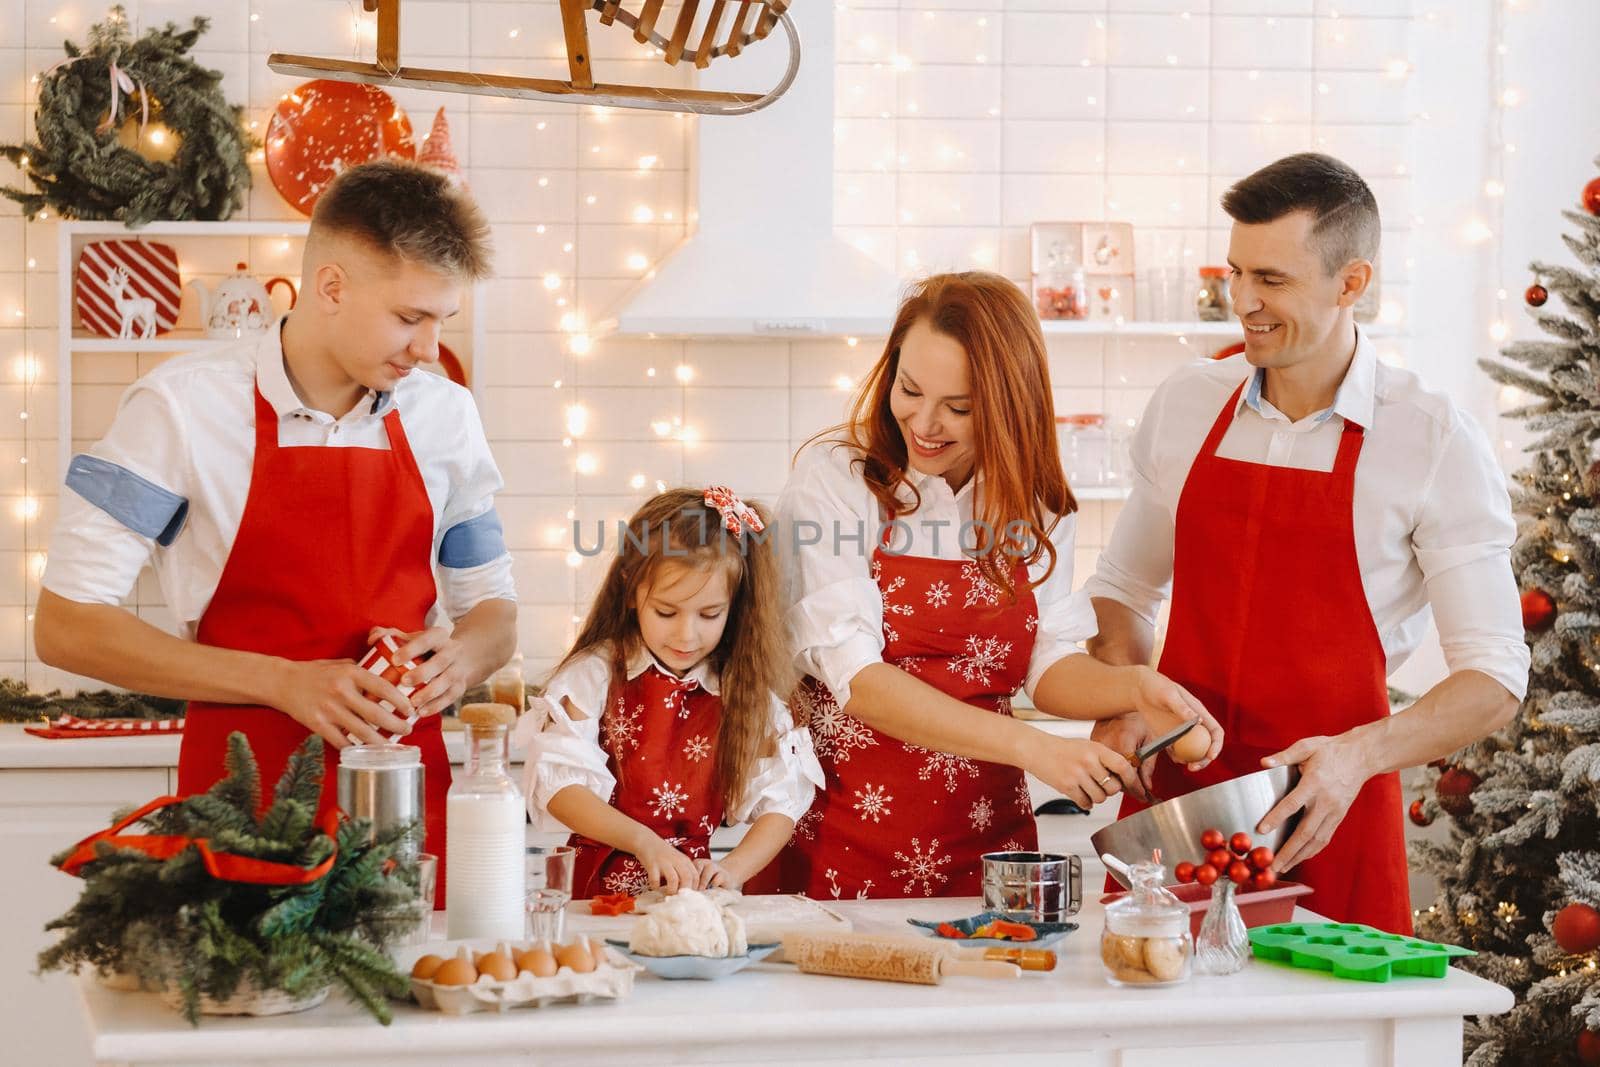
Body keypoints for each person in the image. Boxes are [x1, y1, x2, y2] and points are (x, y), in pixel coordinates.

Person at [34, 160, 519, 902]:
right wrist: (282, 681)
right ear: (330, 287)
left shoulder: (444, 415)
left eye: (440, 322)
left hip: (402, 801)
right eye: (409, 318)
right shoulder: (177, 408)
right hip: (241, 797)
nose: (427, 349)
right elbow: (67, 626)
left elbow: (494, 610)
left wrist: (462, 657)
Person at [1085, 153, 1528, 933]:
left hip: (1330, 812)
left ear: (1352, 283)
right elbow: (1125, 585)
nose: (1243, 302)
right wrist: (1126, 696)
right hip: (1178, 809)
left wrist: (1356, 755)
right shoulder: (1188, 403)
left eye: (1273, 280)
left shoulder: (1431, 440)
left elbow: (1493, 676)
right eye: (1236, 272)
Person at [770, 272, 1223, 900]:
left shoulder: (1035, 504)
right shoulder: (837, 482)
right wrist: (1034, 748)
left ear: (1011, 403)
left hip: (992, 850)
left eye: (958, 407)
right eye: (909, 390)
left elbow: (1047, 661)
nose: (924, 424)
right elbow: (859, 682)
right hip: (842, 841)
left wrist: (1132, 688)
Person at [515, 487, 823, 898]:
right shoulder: (594, 675)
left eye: (709, 614)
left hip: (688, 896)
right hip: (594, 898)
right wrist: (645, 843)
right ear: (630, 588)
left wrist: (732, 870)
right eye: (666, 612)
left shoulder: (742, 690)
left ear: (736, 606)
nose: (686, 634)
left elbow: (783, 803)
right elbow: (559, 789)